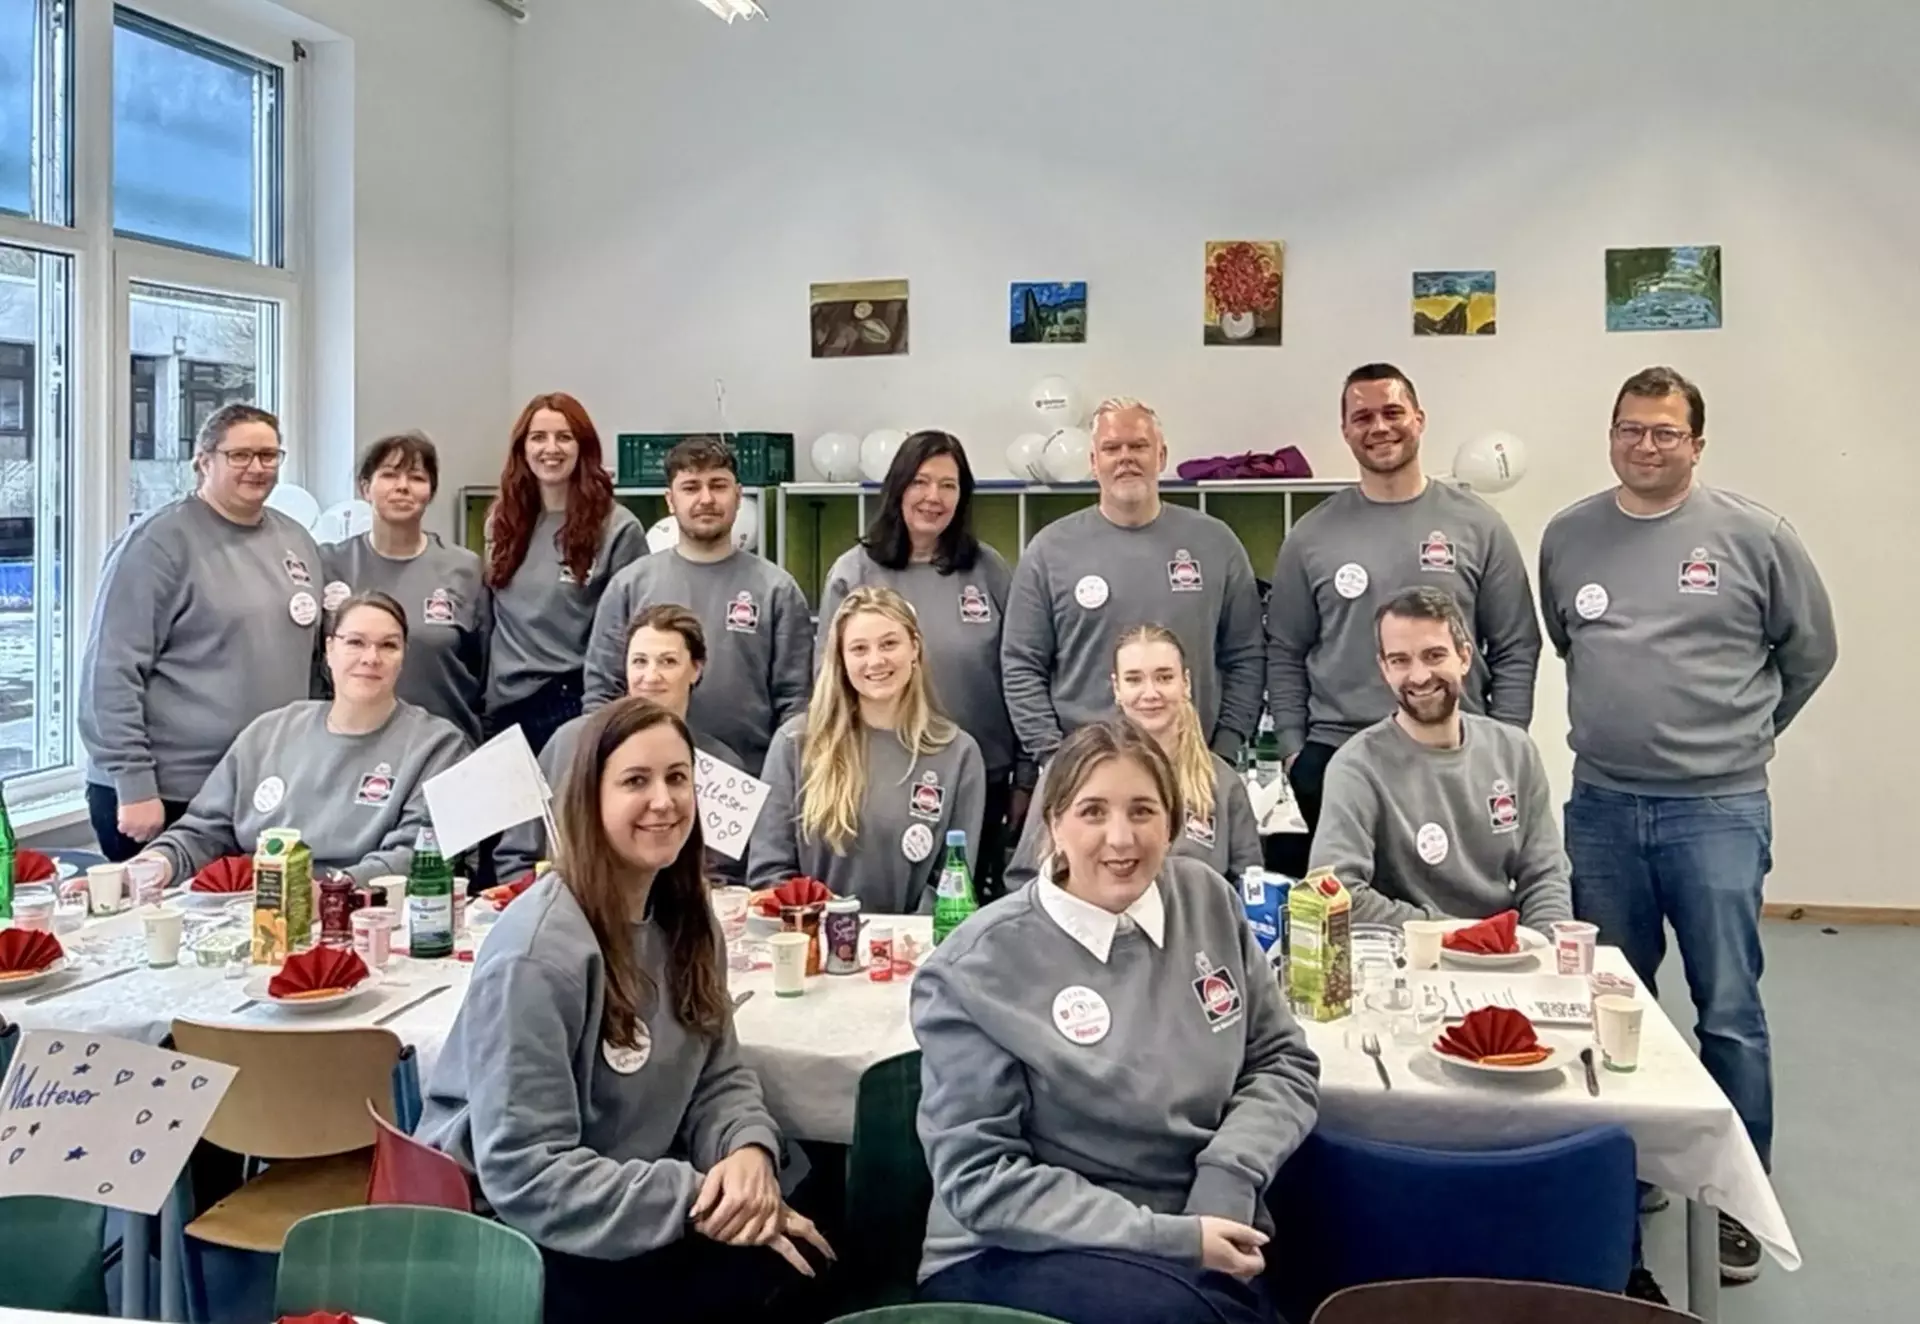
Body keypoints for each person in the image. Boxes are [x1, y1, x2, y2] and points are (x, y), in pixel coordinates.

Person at [1540, 366, 1836, 1284]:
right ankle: (1630, 1175)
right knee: (1609, 1007)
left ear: (1697, 443)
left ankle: (1740, 1203)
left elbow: (1810, 653)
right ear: (1611, 433)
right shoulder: (1568, 536)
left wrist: (1741, 738)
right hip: (1601, 806)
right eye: (1630, 428)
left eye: (1666, 432)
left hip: (1718, 809)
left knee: (1730, 1012)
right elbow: (1568, 639)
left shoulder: (1756, 536)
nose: (1646, 445)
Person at [418, 698, 832, 1324]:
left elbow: (718, 1076)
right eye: (635, 781)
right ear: (591, 799)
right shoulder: (539, 955)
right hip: (518, 1234)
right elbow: (526, 1172)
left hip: (626, 1194)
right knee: (764, 1279)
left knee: (812, 1254)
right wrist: (698, 1196)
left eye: (677, 778)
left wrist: (745, 1152)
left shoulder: (686, 919)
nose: (663, 801)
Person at [912, 719, 1321, 1324]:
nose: (1121, 838)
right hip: (1014, 1249)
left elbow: (1281, 1060)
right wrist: (1170, 1237)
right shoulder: (976, 967)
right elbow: (983, 1180)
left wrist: (1228, 1174)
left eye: (1143, 811)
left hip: (1203, 1223)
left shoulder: (1207, 901)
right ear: (1053, 824)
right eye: (1093, 812)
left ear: (1173, 823)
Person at [1265, 363, 1541, 878]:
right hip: (1337, 753)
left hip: (1453, 752)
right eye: (1362, 416)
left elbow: (1517, 644)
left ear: (1419, 418)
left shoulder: (1478, 524)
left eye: (1393, 412)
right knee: (1349, 918)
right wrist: (1292, 749)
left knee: (1461, 907)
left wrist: (1504, 740)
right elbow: (1284, 648)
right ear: (1345, 430)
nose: (1379, 426)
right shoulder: (1312, 535)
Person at [77, 404, 324, 862]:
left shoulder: (296, 541)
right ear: (204, 460)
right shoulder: (158, 542)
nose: (257, 467)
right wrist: (134, 784)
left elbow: (310, 663)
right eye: (240, 455)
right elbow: (109, 671)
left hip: (262, 789)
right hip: (168, 794)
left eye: (269, 455)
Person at [131, 592, 470, 887]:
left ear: (402, 657)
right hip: (254, 915)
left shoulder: (437, 747)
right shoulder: (269, 733)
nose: (371, 657)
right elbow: (203, 832)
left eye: (388, 645)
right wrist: (153, 865)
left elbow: (414, 857)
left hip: (364, 919)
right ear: (329, 649)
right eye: (355, 642)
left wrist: (329, 892)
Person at [1002, 398, 1265, 765]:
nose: (1126, 457)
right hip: (1083, 770)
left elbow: (1247, 657)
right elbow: (1021, 665)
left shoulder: (1216, 544)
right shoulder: (1049, 551)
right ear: (1093, 463)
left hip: (1191, 766)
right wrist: (1053, 757)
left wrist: (1223, 749)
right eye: (1111, 448)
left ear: (1161, 456)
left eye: (1139, 446)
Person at [817, 431, 1023, 897]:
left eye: (949, 485)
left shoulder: (989, 570)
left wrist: (1025, 776)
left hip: (981, 778)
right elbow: (827, 681)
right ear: (898, 488)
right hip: (876, 782)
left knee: (960, 910)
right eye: (921, 482)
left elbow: (1019, 671)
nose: (934, 497)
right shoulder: (855, 572)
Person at [1308, 587, 1572, 929]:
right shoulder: (1356, 767)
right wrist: (1459, 937)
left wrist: (1542, 950)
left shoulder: (1515, 752)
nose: (1419, 676)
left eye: (1434, 655)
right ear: (1384, 669)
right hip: (1407, 961)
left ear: (1464, 658)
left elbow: (1545, 876)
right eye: (1400, 660)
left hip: (1508, 956)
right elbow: (1336, 893)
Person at [749, 586, 986, 913]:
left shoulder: (959, 754)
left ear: (914, 648)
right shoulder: (795, 744)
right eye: (859, 649)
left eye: (889, 643)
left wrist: (903, 947)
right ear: (841, 661)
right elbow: (769, 873)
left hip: (910, 952)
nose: (876, 660)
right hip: (814, 947)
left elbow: (952, 885)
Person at [585, 436, 811, 776]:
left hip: (748, 785)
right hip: (647, 775)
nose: (706, 499)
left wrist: (781, 779)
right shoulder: (630, 585)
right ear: (670, 501)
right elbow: (602, 693)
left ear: (737, 496)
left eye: (718, 485)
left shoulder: (777, 590)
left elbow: (795, 703)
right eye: (691, 487)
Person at [498, 605, 748, 886]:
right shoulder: (568, 743)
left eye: (667, 662)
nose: (650, 676)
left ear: (696, 669)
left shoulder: (725, 767)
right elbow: (516, 855)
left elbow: (726, 879)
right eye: (640, 661)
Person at [1006, 624, 1260, 891]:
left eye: (1164, 678)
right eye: (1134, 679)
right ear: (1116, 688)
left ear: (1185, 683)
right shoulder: (1069, 771)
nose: (1150, 694)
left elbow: (1250, 886)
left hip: (1194, 931)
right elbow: (1024, 880)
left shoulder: (1221, 782)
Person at [485, 392, 645, 755]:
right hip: (503, 706)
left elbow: (628, 631)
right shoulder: (503, 520)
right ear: (522, 448)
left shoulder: (617, 528)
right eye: (538, 437)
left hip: (572, 702)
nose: (550, 448)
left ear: (583, 447)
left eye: (564, 437)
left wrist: (599, 716)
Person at [319, 431, 491, 745]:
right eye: (388, 475)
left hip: (445, 747)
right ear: (365, 488)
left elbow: (486, 670)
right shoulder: (330, 564)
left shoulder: (465, 569)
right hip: (352, 745)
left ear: (430, 491)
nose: (402, 487)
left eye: (416, 477)